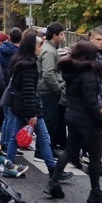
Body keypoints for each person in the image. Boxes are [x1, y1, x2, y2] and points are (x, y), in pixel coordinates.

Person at [45, 41, 102, 203]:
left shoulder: (71, 70)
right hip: (86, 120)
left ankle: (53, 183)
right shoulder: (88, 74)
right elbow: (91, 103)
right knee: (95, 155)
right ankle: (95, 192)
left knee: (69, 151)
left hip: (72, 114)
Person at [6, 31, 71, 181]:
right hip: (28, 107)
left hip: (19, 106)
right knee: (44, 138)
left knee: (15, 137)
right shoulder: (28, 66)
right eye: (39, 45)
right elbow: (28, 91)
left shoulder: (20, 61)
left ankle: (9, 166)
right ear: (31, 47)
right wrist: (33, 113)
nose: (41, 48)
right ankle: (53, 170)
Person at [37, 23, 66, 151]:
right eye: (62, 34)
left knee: (50, 121)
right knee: (49, 122)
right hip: (47, 91)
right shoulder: (49, 51)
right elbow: (48, 73)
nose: (63, 37)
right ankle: (43, 150)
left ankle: (47, 148)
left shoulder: (48, 48)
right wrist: (57, 89)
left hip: (46, 90)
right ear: (55, 35)